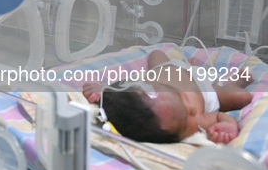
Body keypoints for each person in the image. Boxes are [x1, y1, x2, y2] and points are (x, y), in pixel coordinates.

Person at [83, 50, 253, 144]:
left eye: (183, 99)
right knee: (240, 97)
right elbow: (217, 116)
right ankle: (235, 82)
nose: (192, 108)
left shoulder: (142, 90)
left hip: (168, 68)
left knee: (156, 54)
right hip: (204, 89)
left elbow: (123, 91)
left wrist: (103, 90)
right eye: (187, 107)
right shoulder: (195, 121)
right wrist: (228, 124)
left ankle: (189, 65)